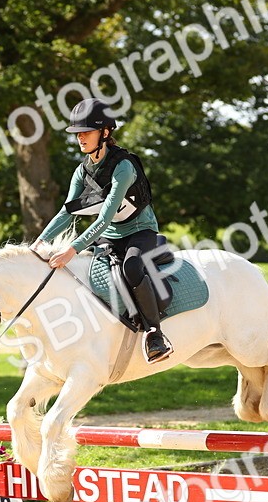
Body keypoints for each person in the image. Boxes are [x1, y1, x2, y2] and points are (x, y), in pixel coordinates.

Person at [35, 97, 172, 363]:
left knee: (132, 266)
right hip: (111, 237)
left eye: (86, 132)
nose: (81, 138)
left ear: (105, 133)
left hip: (140, 233)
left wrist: (71, 250)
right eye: (78, 133)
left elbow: (105, 219)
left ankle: (155, 334)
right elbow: (67, 213)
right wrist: (39, 243)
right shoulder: (81, 171)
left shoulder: (123, 166)